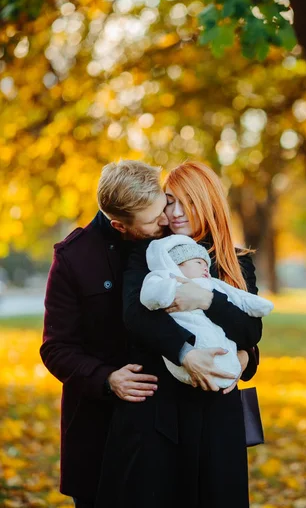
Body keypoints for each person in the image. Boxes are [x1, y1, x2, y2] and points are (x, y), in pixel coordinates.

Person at [40, 160, 258, 508]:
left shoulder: (197, 253)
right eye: (166, 205)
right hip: (114, 418)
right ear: (120, 224)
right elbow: (63, 344)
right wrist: (108, 377)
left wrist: (243, 355)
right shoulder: (85, 257)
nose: (168, 218)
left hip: (195, 417)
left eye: (170, 204)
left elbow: (248, 331)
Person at [140, 233, 273, 387]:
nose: (177, 212)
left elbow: (251, 331)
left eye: (205, 264)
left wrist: (208, 300)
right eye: (198, 263)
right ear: (177, 265)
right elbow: (138, 313)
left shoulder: (232, 263)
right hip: (169, 381)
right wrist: (184, 353)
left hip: (221, 387)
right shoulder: (159, 270)